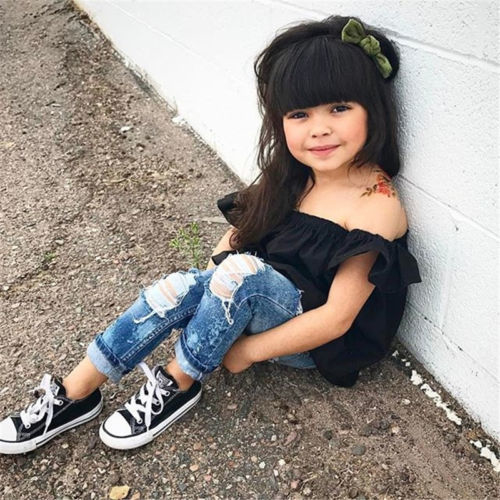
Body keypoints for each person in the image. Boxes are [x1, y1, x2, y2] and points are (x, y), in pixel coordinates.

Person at [0, 15, 422, 454]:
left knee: (239, 273)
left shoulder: (375, 204)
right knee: (176, 287)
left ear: (373, 108)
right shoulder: (295, 176)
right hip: (253, 295)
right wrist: (204, 293)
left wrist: (248, 351)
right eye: (300, 114)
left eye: (339, 108)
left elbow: (336, 318)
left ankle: (178, 384)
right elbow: (238, 237)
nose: (319, 128)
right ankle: (76, 394)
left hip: (311, 343)